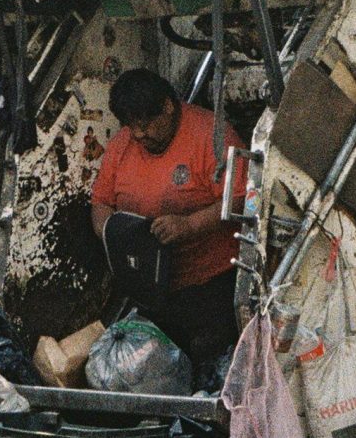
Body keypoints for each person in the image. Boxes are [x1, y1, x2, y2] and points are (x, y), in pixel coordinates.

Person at [89, 68, 242, 369]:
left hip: (211, 285)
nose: (138, 134)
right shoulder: (123, 144)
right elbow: (101, 202)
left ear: (168, 107)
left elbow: (238, 199)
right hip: (148, 285)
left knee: (208, 359)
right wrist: (114, 235)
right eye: (131, 125)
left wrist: (189, 225)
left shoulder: (211, 136)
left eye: (145, 123)